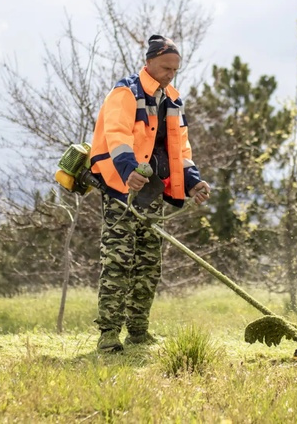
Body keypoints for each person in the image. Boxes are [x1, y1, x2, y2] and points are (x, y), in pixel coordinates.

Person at [88, 34, 211, 352]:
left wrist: (193, 180)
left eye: (175, 69)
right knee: (118, 259)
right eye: (165, 67)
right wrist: (129, 172)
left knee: (148, 261)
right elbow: (116, 134)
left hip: (153, 189)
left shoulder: (172, 100)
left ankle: (139, 331)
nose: (170, 74)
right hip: (121, 187)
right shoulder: (125, 92)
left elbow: (180, 147)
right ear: (149, 62)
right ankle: (109, 334)